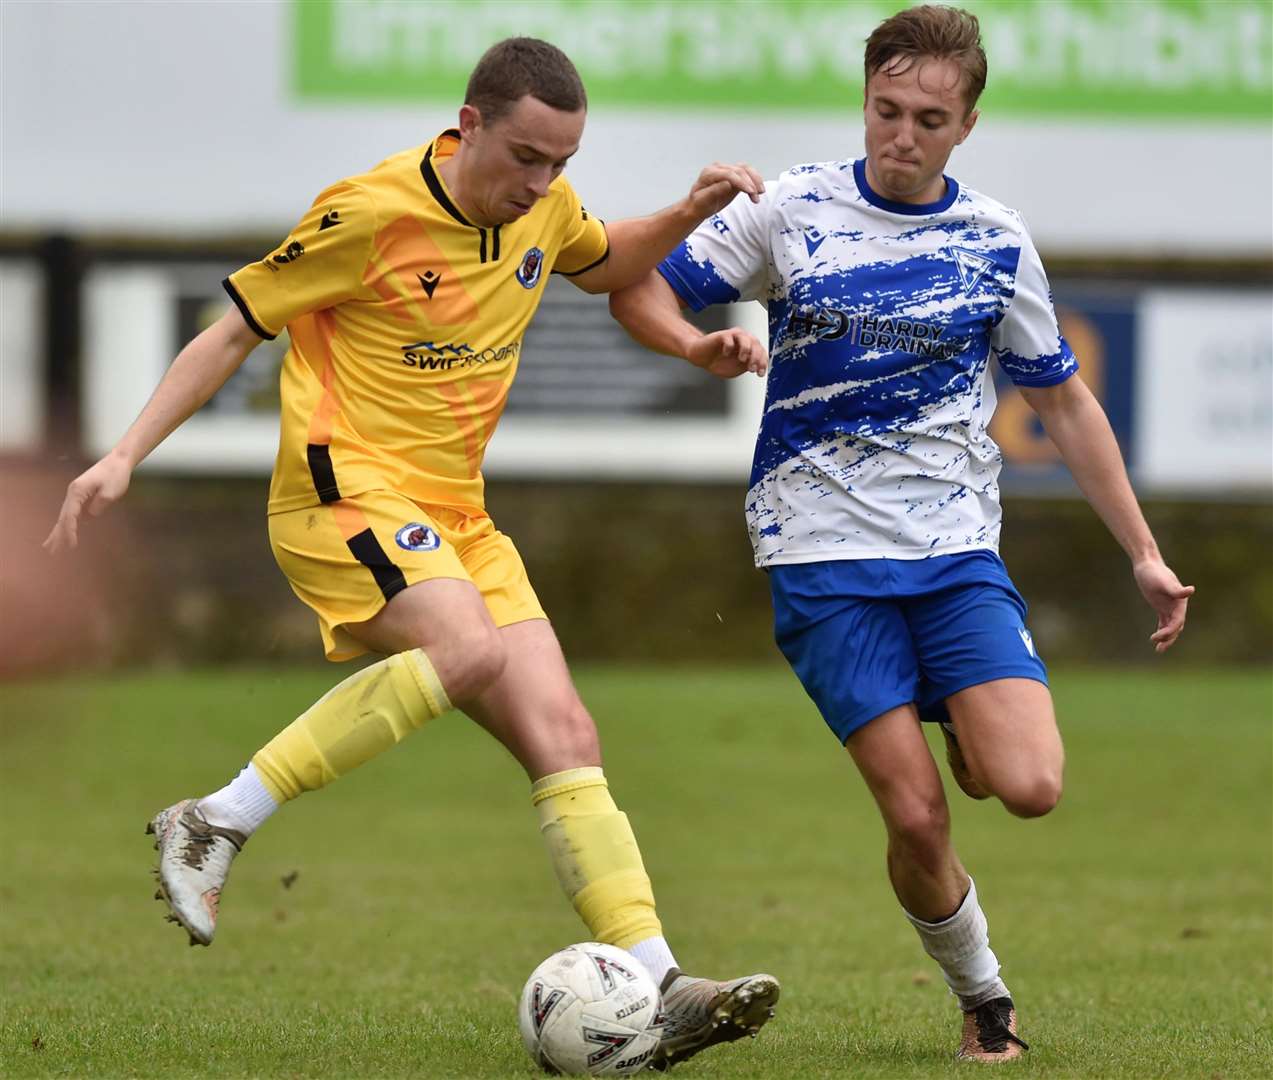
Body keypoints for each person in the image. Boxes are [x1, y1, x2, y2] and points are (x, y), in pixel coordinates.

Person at [45, 37, 779, 1070]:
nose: (541, 184)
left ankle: (657, 988)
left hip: (453, 518)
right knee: (470, 650)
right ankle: (215, 820)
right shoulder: (369, 211)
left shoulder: (543, 211)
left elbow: (605, 259)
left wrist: (694, 279)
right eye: (525, 157)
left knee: (565, 728)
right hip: (339, 493)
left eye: (561, 163)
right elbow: (232, 331)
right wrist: (123, 454)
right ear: (468, 124)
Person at [608, 5, 1194, 1064]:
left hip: (955, 555)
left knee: (1029, 789)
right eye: (887, 109)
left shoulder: (994, 241)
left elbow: (1062, 407)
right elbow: (633, 284)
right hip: (819, 557)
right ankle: (983, 995)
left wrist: (1143, 553)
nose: (902, 134)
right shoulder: (790, 210)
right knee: (917, 820)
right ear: (865, 99)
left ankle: (963, 720)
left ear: (965, 124)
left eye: (929, 117)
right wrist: (695, 345)